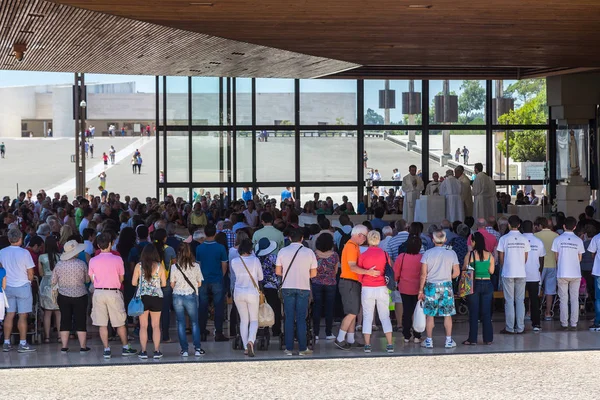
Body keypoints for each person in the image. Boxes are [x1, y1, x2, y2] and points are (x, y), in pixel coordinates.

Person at [89, 232, 138, 359]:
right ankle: (125, 347)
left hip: (98, 292)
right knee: (119, 322)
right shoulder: (117, 259)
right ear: (110, 244)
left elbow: (92, 279)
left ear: (98, 245)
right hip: (113, 291)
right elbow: (121, 278)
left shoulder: (93, 260)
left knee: (102, 323)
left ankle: (106, 349)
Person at [335, 224, 380, 350]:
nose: (365, 240)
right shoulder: (350, 247)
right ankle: (340, 338)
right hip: (349, 282)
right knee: (352, 312)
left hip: (352, 282)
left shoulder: (353, 246)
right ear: (359, 235)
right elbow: (352, 267)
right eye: (365, 237)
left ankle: (350, 339)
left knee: (353, 311)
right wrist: (368, 272)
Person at [275, 227, 318, 356]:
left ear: (289, 238)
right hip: (303, 288)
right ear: (302, 239)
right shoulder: (309, 252)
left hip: (287, 287)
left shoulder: (282, 251)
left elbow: (278, 272)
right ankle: (303, 348)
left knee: (288, 318)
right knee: (301, 318)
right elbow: (314, 273)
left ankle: (288, 348)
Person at [418, 230, 460, 349]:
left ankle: (429, 340)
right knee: (447, 314)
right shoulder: (451, 253)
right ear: (445, 240)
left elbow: (423, 274)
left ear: (433, 240)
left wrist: (421, 290)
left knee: (430, 315)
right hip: (446, 285)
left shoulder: (427, 253)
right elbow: (456, 272)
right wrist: (447, 277)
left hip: (431, 285)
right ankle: (448, 340)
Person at [357, 230, 395, 353]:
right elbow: (389, 269)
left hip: (367, 287)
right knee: (385, 316)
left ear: (368, 240)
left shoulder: (363, 255)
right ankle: (389, 344)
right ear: (379, 240)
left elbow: (359, 274)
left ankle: (367, 345)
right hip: (382, 287)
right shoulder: (385, 254)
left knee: (367, 317)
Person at [1, 228, 36, 353]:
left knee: (9, 315)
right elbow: (30, 272)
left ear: (9, 239)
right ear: (20, 239)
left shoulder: (2, 252)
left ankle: (6, 342)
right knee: (23, 315)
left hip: (7, 287)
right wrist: (29, 281)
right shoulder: (25, 253)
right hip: (22, 286)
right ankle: (22, 343)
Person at [51, 240, 90, 352]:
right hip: (80, 295)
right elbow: (87, 279)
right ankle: (83, 346)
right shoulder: (81, 264)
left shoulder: (59, 265)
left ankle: (64, 346)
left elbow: (53, 281)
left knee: (65, 319)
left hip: (63, 295)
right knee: (81, 320)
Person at [132, 243, 166, 359]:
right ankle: (156, 351)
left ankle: (143, 351)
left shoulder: (138, 266)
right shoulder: (159, 266)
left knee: (143, 326)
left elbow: (133, 283)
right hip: (156, 297)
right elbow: (164, 284)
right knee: (156, 326)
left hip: (142, 298)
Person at [196, 223, 229, 342]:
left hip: (203, 280)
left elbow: (198, 265)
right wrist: (221, 276)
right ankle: (219, 332)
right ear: (215, 233)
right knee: (218, 306)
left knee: (203, 306)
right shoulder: (220, 248)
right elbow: (224, 264)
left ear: (205, 233)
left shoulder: (199, 248)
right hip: (217, 279)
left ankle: (202, 331)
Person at [230, 239, 263, 357]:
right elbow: (260, 277)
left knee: (244, 320)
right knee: (254, 320)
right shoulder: (255, 260)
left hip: (238, 292)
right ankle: (251, 341)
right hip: (252, 292)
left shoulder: (234, 261)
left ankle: (245, 347)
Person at [497, 215, 530, 334]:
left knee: (509, 301)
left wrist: (505, 266)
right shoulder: (524, 239)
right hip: (521, 272)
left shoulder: (504, 239)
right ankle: (520, 327)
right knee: (520, 300)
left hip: (508, 272)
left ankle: (510, 327)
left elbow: (501, 257)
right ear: (519, 225)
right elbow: (526, 258)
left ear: (509, 225)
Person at [171, 242, 204, 356]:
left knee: (181, 323)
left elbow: (172, 284)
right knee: (194, 322)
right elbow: (199, 283)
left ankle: (184, 349)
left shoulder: (174, 267)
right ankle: (197, 348)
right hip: (191, 295)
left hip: (177, 295)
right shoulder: (196, 266)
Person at [552, 216, 585, 330]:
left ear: (564, 226)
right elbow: (580, 258)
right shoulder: (578, 240)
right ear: (575, 227)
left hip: (562, 272)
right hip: (575, 273)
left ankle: (564, 323)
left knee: (563, 299)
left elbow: (556, 257)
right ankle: (574, 323)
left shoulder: (557, 239)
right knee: (574, 298)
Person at [463, 232, 495, 345]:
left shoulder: (470, 255)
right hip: (487, 284)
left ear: (474, 242)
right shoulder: (490, 255)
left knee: (474, 313)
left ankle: (472, 339)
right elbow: (492, 271)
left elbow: (465, 269)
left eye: (472, 241)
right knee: (486, 313)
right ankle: (488, 339)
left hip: (474, 284)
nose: (471, 243)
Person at [394, 235, 423, 343]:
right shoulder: (422, 258)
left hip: (404, 287)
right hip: (418, 288)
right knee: (417, 311)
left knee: (406, 311)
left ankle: (406, 335)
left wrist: (397, 280)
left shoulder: (402, 257)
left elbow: (396, 272)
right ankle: (417, 335)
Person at [311, 233, 339, 341]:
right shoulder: (334, 255)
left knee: (317, 307)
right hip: (330, 283)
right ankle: (328, 332)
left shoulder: (314, 254)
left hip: (316, 283)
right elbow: (336, 271)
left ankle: (316, 333)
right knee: (329, 308)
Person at [534, 217, 559, 321]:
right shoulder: (556, 236)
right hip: (552, 264)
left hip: (539, 266)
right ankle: (548, 313)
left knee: (535, 290)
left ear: (540, 226)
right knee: (550, 290)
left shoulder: (535, 236)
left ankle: (531, 311)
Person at [522, 220, 545, 332]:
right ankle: (536, 324)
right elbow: (541, 259)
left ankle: (519, 322)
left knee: (519, 299)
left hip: (520, 274)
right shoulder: (538, 241)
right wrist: (539, 271)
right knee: (534, 300)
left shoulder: (520, 240)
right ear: (532, 228)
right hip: (534, 275)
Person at [38, 236, 61, 343]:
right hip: (58, 284)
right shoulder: (61, 256)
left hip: (46, 284)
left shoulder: (41, 257)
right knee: (58, 312)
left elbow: (41, 273)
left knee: (47, 312)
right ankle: (60, 336)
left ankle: (47, 337)